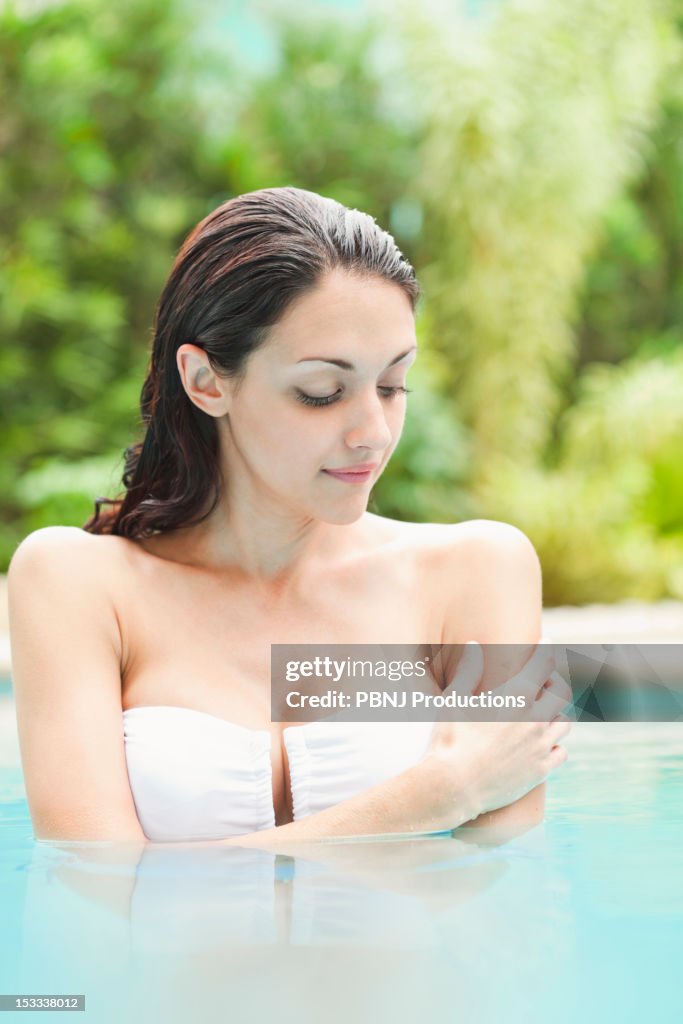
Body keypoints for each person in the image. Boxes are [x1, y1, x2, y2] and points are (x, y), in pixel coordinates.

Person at [7, 186, 570, 849]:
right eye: (322, 392)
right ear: (206, 381)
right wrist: (442, 793)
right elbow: (95, 887)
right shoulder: (78, 585)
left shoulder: (476, 574)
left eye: (392, 385)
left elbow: (492, 892)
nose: (372, 432)